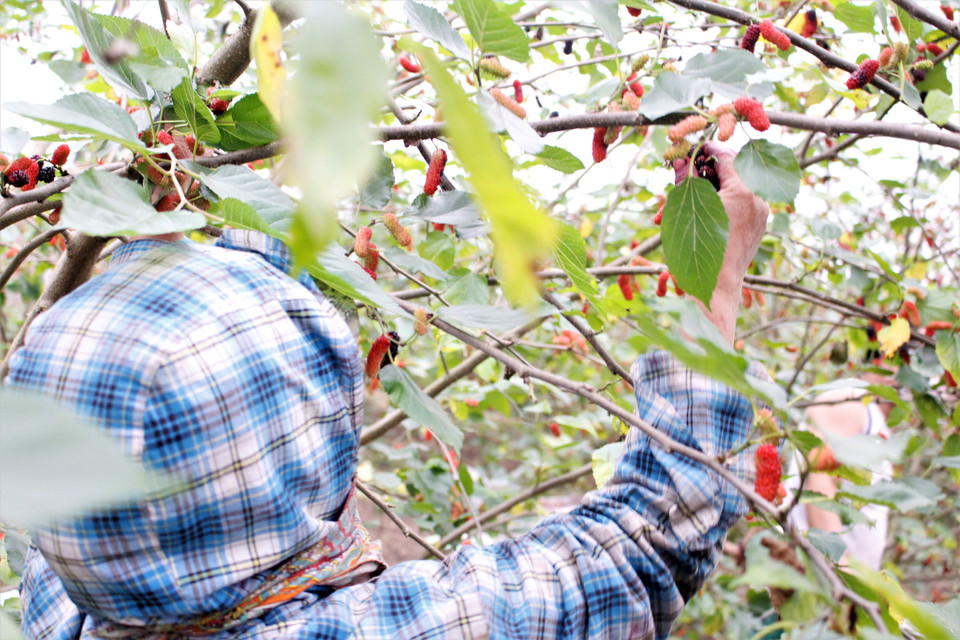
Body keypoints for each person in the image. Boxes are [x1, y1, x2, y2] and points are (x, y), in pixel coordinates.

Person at [7, 144, 772, 639]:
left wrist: (199, 179)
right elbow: (645, 547)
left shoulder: (68, 598)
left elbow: (114, 371)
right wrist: (712, 283)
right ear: (302, 440)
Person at [784, 380, 893, 570]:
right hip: (813, 572)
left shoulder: (874, 419)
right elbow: (820, 481)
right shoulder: (851, 403)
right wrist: (841, 568)